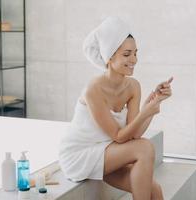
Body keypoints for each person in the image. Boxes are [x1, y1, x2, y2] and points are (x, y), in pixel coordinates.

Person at [58, 16, 173, 200]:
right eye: (127, 54)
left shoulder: (133, 86)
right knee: (145, 148)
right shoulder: (93, 89)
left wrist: (154, 103)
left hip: (106, 149)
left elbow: (134, 135)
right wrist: (146, 112)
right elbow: (120, 137)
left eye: (136, 53)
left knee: (155, 191)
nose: (134, 59)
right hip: (80, 154)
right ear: (109, 56)